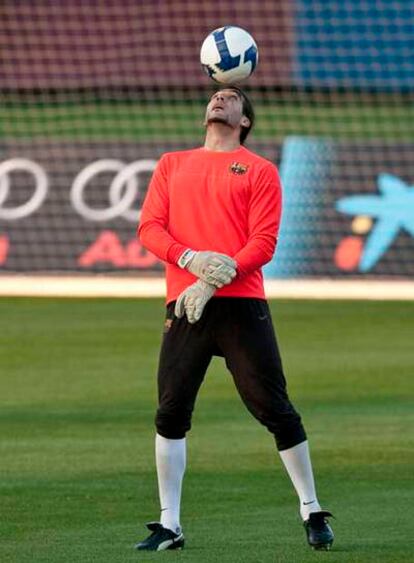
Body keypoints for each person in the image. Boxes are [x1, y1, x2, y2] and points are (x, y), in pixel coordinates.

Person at [135, 86, 334, 552]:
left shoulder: (260, 170)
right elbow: (149, 227)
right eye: (216, 95)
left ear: (245, 119)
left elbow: (263, 243)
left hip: (241, 303)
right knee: (170, 411)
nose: (219, 99)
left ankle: (312, 509)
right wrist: (190, 262)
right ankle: (170, 524)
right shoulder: (172, 164)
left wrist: (214, 280)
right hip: (185, 304)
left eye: (231, 97)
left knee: (275, 409)